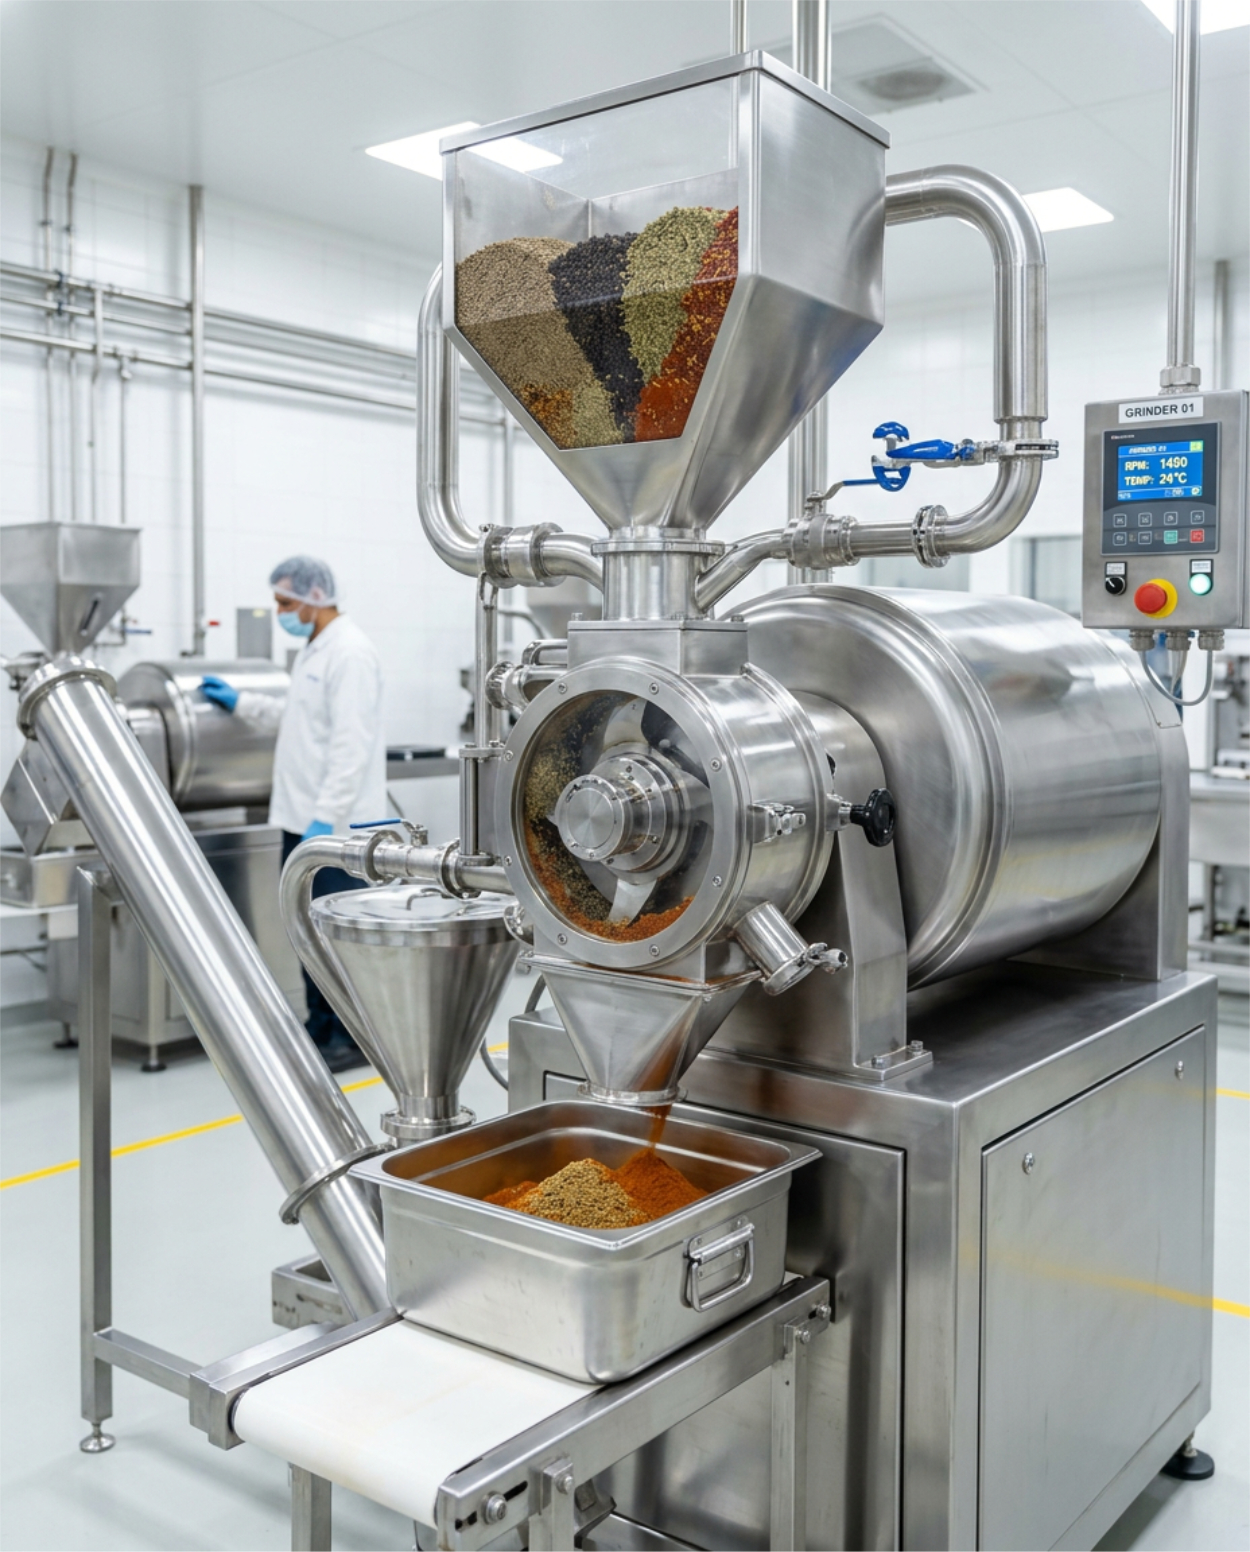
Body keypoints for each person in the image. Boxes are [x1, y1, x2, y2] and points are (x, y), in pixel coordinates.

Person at [200, 556, 387, 1073]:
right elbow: (296, 717)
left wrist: (325, 820)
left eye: (285, 602)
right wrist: (240, 702)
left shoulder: (349, 653)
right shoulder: (315, 649)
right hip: (302, 821)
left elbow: (350, 748)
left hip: (335, 829)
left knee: (334, 937)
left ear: (314, 598)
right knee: (307, 931)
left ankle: (350, 1037)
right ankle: (320, 1026)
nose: (280, 611)